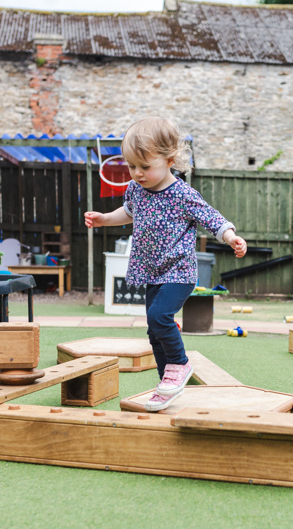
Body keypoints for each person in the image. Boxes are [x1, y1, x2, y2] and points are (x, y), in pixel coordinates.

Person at [84, 117, 247, 411]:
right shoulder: (136, 189)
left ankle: (180, 365)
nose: (137, 173)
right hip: (152, 270)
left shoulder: (182, 194)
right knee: (153, 330)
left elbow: (211, 217)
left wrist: (231, 236)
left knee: (160, 317)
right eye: (132, 166)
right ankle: (167, 385)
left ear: (169, 160)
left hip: (179, 271)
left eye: (145, 167)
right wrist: (105, 219)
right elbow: (129, 212)